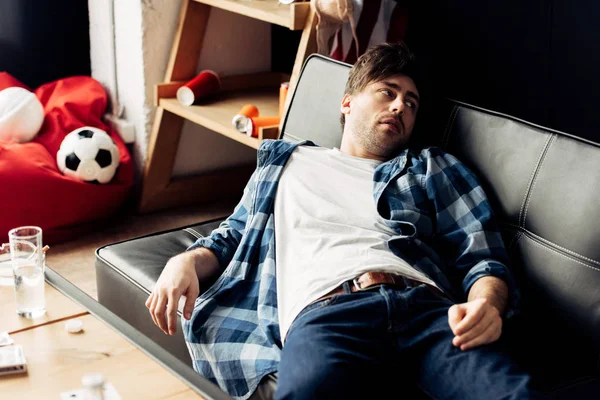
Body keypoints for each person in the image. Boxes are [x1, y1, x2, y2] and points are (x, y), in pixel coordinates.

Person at [146, 42, 546, 400]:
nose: (399, 107)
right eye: (387, 93)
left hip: (425, 308)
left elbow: (482, 256)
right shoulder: (285, 164)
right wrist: (183, 262)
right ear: (348, 102)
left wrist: (485, 305)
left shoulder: (430, 168)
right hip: (327, 312)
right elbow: (231, 236)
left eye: (411, 103)